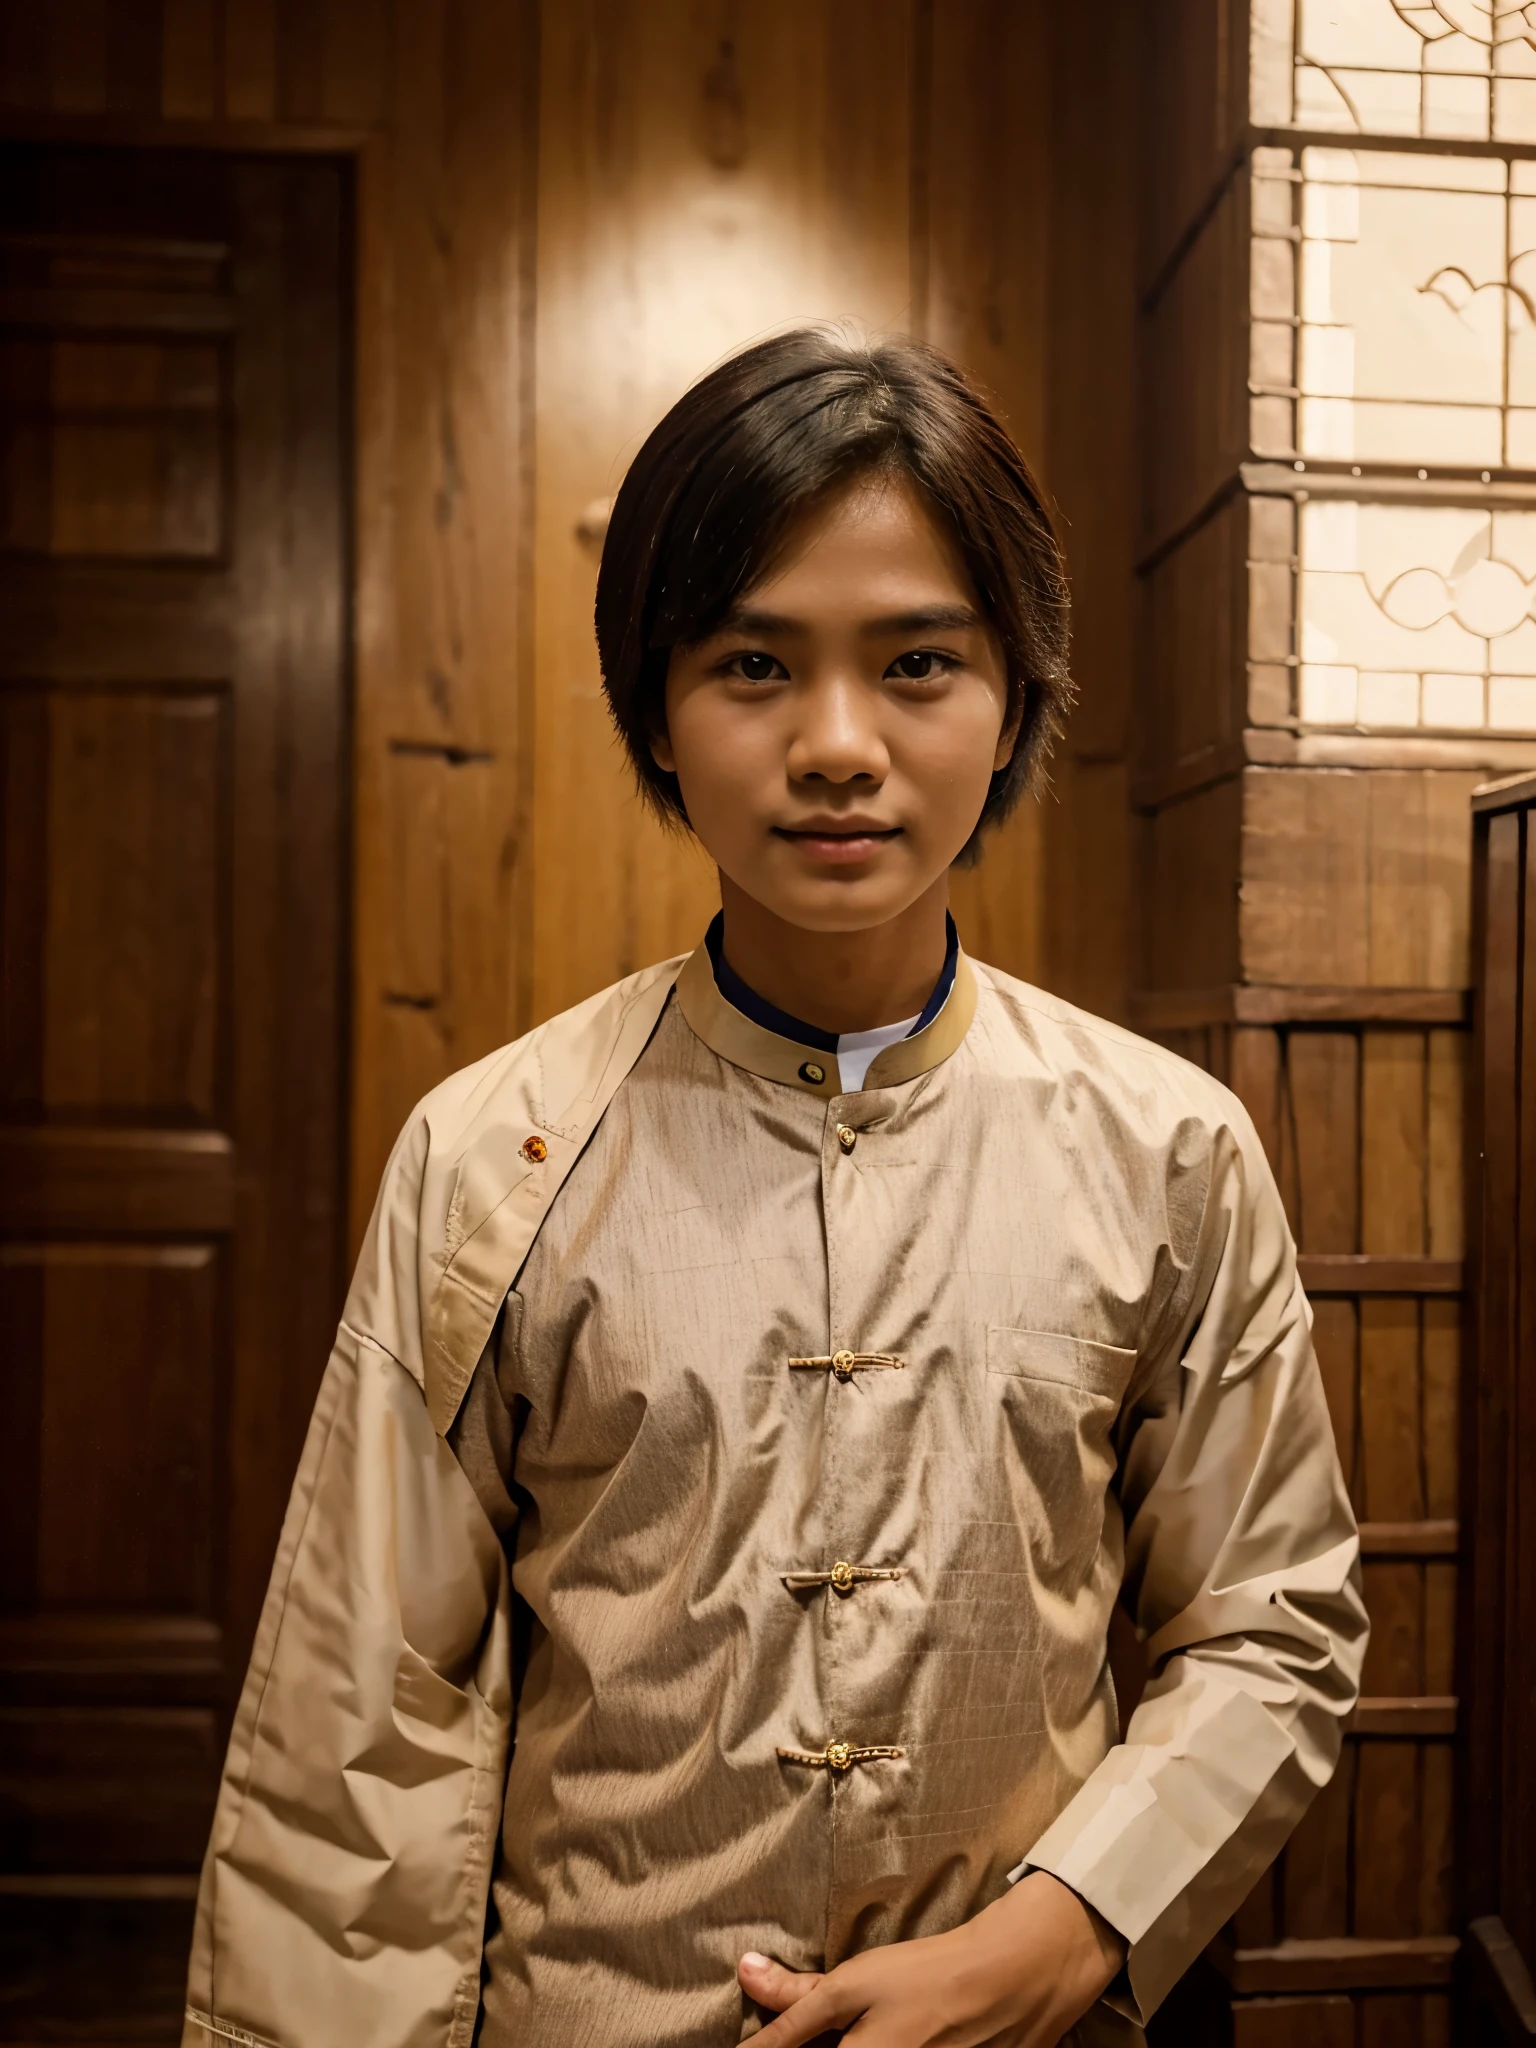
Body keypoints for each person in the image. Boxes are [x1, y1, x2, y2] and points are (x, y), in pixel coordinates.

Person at [182, 330, 1366, 2048]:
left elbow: (1273, 1624)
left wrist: (1058, 1933)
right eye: (753, 662)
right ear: (653, 705)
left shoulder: (1168, 1148)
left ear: (1016, 695)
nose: (835, 744)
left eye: (918, 665)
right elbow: (367, 1720)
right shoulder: (490, 1150)